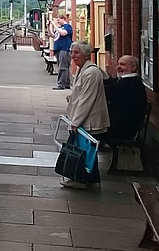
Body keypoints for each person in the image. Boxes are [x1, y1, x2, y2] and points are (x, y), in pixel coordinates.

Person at [60, 41, 110, 189]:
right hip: (86, 119)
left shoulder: (91, 72)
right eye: (71, 52)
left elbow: (87, 100)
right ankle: (90, 180)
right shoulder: (84, 69)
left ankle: (84, 180)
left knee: (85, 151)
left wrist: (75, 122)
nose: (72, 56)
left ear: (87, 55)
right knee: (84, 150)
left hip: (90, 121)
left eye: (76, 53)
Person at [100, 54, 148, 143]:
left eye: (122, 64)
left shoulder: (131, 83)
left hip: (123, 128)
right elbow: (110, 83)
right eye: (118, 64)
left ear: (133, 68)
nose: (118, 67)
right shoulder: (127, 80)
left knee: (93, 130)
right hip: (121, 124)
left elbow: (109, 89)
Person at [51, 13, 73, 90]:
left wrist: (55, 25)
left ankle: (61, 84)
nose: (58, 22)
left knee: (63, 67)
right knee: (63, 66)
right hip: (58, 49)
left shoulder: (68, 27)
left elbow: (63, 33)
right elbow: (52, 35)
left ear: (63, 19)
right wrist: (48, 27)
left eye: (59, 20)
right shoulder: (59, 27)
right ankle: (67, 83)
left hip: (65, 48)